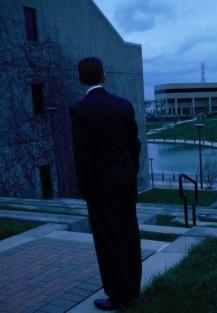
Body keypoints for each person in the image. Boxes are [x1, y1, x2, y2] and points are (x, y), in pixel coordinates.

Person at [69, 57, 142, 311]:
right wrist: (131, 172)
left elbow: (83, 156)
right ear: (104, 76)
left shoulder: (80, 110)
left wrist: (86, 190)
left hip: (102, 186)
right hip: (126, 180)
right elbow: (135, 145)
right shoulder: (124, 105)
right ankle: (133, 287)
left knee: (108, 240)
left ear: (80, 79)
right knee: (129, 232)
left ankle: (118, 296)